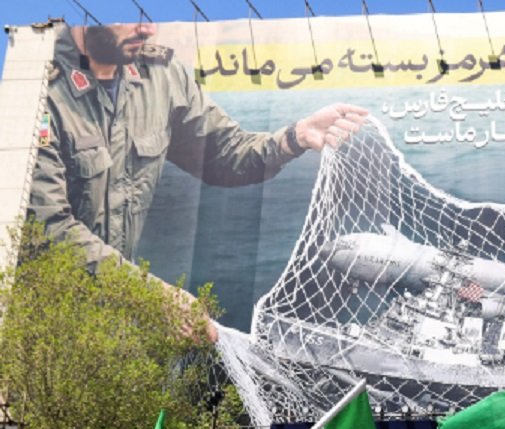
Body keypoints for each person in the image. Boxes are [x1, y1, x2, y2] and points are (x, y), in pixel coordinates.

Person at [30, 22, 367, 325]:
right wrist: (153, 295)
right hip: (43, 319)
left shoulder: (161, 76)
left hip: (119, 309)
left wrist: (294, 137)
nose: (147, 30)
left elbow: (222, 153)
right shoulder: (36, 90)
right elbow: (48, 230)